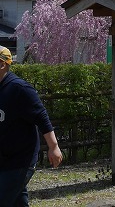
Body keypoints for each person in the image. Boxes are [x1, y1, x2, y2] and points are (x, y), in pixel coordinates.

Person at [0, 45, 62, 207]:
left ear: (2, 64)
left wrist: (53, 147)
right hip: (4, 159)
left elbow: (41, 117)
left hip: (21, 160)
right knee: (17, 202)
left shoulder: (19, 89)